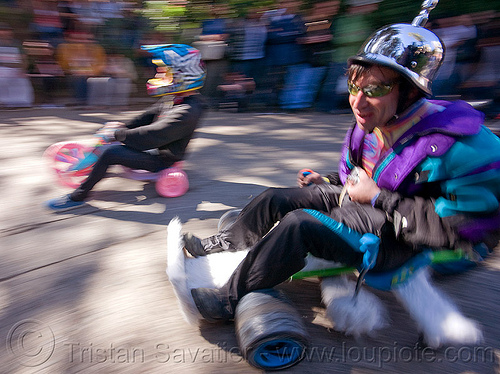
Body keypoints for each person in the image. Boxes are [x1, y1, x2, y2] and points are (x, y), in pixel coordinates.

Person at [183, 16, 500, 323]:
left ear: (411, 91)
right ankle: (224, 245)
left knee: (299, 225)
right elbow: (371, 173)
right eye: (353, 86)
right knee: (274, 198)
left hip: (409, 239)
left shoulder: (463, 148)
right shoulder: (376, 121)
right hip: (374, 205)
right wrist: (329, 181)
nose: (357, 102)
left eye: (374, 90)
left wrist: (378, 198)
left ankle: (226, 301)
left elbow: (454, 230)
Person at [45, 44, 206, 211]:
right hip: (153, 148)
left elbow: (153, 135)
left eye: (164, 72)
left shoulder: (188, 111)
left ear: (182, 75)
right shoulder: (174, 99)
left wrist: (118, 135)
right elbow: (146, 117)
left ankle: (78, 196)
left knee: (111, 153)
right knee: (113, 134)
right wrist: (120, 128)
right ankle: (97, 167)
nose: (159, 74)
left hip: (162, 159)